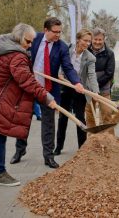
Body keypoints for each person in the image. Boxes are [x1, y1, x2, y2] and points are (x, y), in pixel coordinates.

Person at [0, 23, 56, 186]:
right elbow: (26, 81)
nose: (30, 45)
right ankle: (0, 173)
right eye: (27, 41)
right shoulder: (17, 56)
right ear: (19, 38)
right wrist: (47, 97)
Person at [10, 17, 83, 168]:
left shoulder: (62, 47)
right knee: (23, 120)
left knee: (48, 123)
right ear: (45, 30)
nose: (58, 35)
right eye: (55, 32)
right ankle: (20, 149)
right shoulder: (34, 39)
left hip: (48, 90)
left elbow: (68, 67)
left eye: (60, 32)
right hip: (28, 87)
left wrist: (76, 82)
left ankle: (48, 156)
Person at [54, 28, 99, 154]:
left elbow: (92, 75)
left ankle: (82, 148)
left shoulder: (90, 57)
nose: (87, 44)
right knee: (63, 117)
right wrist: (60, 75)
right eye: (85, 40)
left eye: (89, 41)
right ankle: (59, 147)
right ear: (78, 39)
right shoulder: (67, 49)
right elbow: (60, 66)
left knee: (80, 118)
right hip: (65, 86)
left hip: (80, 89)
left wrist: (95, 92)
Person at [85, 27, 115, 134]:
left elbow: (109, 73)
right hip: (88, 90)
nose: (97, 42)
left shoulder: (109, 53)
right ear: (92, 39)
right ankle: (92, 141)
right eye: (95, 39)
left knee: (107, 114)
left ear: (104, 39)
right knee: (90, 116)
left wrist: (95, 85)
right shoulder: (86, 51)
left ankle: (110, 140)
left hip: (104, 90)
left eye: (100, 40)